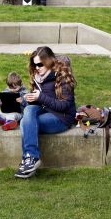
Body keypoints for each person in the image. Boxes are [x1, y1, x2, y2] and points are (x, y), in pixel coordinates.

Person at [16, 46, 76, 179]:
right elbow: (39, 102)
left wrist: (40, 97)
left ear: (48, 62)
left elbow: (64, 105)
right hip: (45, 110)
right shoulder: (37, 76)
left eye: (40, 64)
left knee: (25, 123)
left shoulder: (63, 75)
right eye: (34, 64)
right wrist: (28, 100)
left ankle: (29, 158)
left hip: (62, 117)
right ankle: (31, 158)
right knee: (28, 110)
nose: (36, 67)